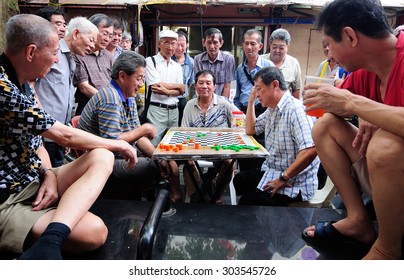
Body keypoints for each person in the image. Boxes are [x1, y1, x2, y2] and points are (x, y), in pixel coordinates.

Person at [0, 14, 137, 260]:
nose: (56, 60)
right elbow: (63, 135)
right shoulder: (2, 86)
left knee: (102, 156)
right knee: (94, 232)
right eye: (54, 53)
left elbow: (37, 141)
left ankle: (49, 241)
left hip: (34, 180)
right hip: (8, 197)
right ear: (31, 52)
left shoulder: (27, 84)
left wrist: (48, 173)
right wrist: (118, 142)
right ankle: (49, 243)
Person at [302, 0, 404, 260]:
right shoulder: (363, 72)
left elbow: (350, 101)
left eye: (329, 45)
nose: (330, 55)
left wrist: (360, 105)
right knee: (325, 127)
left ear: (349, 36)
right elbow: (334, 107)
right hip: (385, 182)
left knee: (386, 144)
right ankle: (358, 219)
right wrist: (362, 109)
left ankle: (388, 249)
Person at [78, 51, 182, 202]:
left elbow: (137, 137)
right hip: (100, 161)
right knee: (151, 167)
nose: (141, 84)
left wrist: (159, 157)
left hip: (121, 154)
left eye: (143, 79)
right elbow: (112, 141)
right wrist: (144, 129)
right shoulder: (110, 97)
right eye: (139, 78)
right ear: (122, 76)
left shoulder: (129, 97)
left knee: (165, 162)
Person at [236, 66, 319, 206]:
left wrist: (283, 178)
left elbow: (311, 150)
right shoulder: (272, 109)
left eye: (259, 89)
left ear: (274, 85)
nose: (257, 94)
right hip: (273, 171)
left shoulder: (296, 110)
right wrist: (251, 101)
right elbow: (251, 129)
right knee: (239, 181)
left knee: (247, 203)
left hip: (293, 183)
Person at [35, 17, 98, 168]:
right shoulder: (53, 53)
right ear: (76, 33)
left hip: (59, 132)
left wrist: (66, 125)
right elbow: (31, 87)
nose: (92, 46)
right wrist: (39, 130)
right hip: (45, 133)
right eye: (91, 39)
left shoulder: (71, 58)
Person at [181, 70, 235, 204]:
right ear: (196, 85)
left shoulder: (225, 104)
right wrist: (189, 153)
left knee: (229, 163)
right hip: (195, 150)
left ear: (214, 86)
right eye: (201, 83)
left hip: (220, 151)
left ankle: (217, 195)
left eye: (208, 83)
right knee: (188, 164)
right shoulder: (189, 105)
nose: (204, 86)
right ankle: (196, 194)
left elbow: (240, 121)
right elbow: (183, 131)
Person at [145, 29, 185, 147]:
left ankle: (170, 166)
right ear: (159, 44)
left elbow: (181, 91)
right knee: (153, 145)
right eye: (166, 43)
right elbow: (155, 86)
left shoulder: (177, 67)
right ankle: (152, 166)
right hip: (157, 110)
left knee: (173, 145)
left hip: (174, 111)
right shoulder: (150, 61)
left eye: (173, 43)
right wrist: (177, 86)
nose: (170, 47)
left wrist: (167, 90)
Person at [73, 13, 114, 116]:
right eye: (104, 33)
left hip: (110, 106)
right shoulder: (79, 54)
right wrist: (108, 101)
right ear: (93, 31)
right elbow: (84, 87)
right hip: (88, 106)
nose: (107, 39)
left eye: (110, 35)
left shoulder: (108, 56)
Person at [234, 29, 274, 115]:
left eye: (253, 44)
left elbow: (274, 92)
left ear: (260, 46)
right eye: (246, 43)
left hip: (263, 112)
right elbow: (237, 95)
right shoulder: (240, 68)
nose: (249, 47)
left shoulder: (269, 66)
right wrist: (238, 113)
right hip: (244, 111)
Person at [194, 28, 236, 99]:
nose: (212, 46)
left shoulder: (229, 59)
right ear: (203, 42)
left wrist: (221, 105)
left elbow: (227, 86)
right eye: (209, 42)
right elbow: (199, 85)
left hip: (221, 100)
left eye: (215, 42)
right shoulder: (198, 59)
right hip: (203, 100)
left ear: (221, 43)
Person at [261, 28, 302, 99]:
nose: (277, 51)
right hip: (262, 106)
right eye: (274, 47)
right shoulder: (261, 60)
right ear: (270, 45)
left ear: (287, 47)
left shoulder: (293, 63)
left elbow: (296, 90)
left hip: (284, 106)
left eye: (281, 48)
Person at [172, 29, 195, 125]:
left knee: (182, 125)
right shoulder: (169, 60)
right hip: (169, 99)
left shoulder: (191, 62)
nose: (180, 48)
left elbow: (190, 83)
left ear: (187, 45)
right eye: (177, 44)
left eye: (183, 45)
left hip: (182, 100)